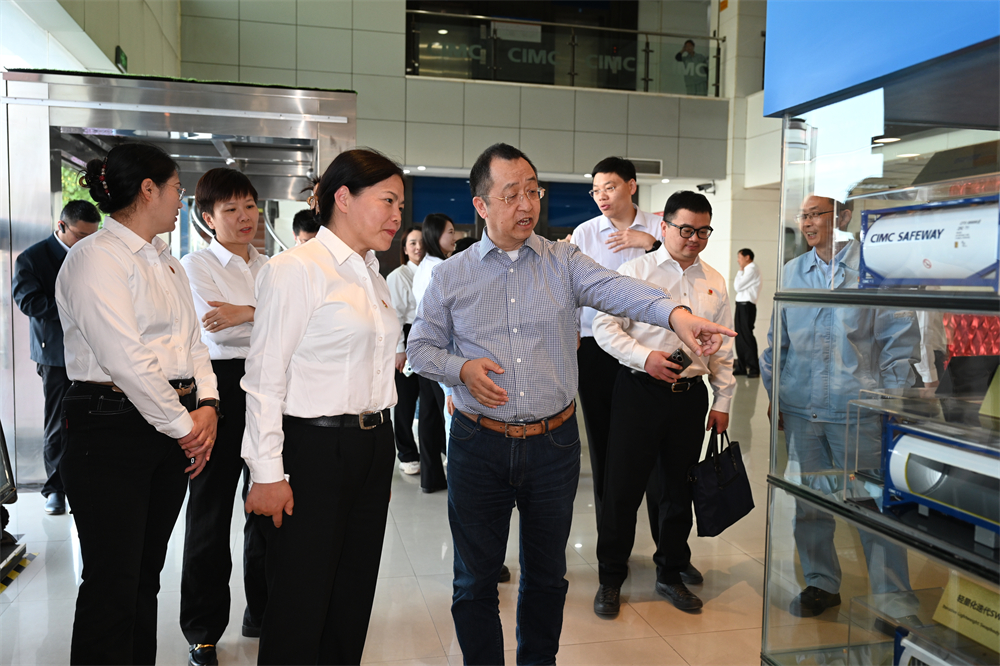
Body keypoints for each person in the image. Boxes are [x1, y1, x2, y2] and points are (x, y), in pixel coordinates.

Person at [407, 143, 735, 665]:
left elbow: (623, 291)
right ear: (481, 205)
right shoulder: (451, 274)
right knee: (474, 580)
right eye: (511, 194)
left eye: (532, 191)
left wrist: (676, 315)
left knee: (546, 577)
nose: (526, 204)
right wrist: (462, 370)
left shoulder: (564, 260)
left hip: (553, 445)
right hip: (478, 442)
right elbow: (420, 350)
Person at [55, 143, 219, 665]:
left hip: (169, 423)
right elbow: (126, 358)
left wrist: (208, 404)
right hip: (110, 427)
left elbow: (193, 344)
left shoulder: (167, 262)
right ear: (148, 190)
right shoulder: (94, 258)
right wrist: (184, 426)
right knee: (113, 580)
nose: (180, 201)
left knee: (145, 575)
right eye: (176, 189)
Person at [242, 148, 403, 665]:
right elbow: (264, 377)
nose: (397, 217)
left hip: (373, 444)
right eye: (388, 201)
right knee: (300, 598)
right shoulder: (296, 269)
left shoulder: (373, 275)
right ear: (343, 198)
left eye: (401, 205)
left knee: (351, 597)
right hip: (314, 448)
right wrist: (267, 473)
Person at [761, 194, 918, 617]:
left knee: (873, 506)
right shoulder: (793, 272)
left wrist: (892, 405)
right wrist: (776, 396)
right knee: (810, 503)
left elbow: (899, 347)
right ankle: (820, 583)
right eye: (804, 216)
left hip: (858, 411)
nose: (808, 223)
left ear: (844, 217)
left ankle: (893, 600)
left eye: (817, 214)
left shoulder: (875, 272)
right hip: (801, 409)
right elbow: (777, 344)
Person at [591, 191, 735, 616]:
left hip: (688, 397)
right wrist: (645, 358)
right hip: (639, 391)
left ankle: (670, 572)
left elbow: (724, 349)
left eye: (703, 231)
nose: (694, 239)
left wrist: (723, 400)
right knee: (623, 489)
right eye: (685, 229)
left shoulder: (714, 280)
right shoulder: (635, 272)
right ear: (664, 227)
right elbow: (604, 327)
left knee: (678, 489)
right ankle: (610, 578)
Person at [178, 168, 269, 665]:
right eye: (230, 209)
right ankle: (203, 629)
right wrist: (262, 314)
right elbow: (214, 328)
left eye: (250, 206)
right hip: (219, 388)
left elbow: (296, 325)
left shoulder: (273, 266)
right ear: (208, 218)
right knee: (210, 513)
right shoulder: (195, 265)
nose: (244, 217)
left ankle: (263, 611)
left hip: (270, 388)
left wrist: (247, 311)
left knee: (268, 503)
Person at [570, 157, 662, 525]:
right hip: (596, 344)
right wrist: (572, 331)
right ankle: (610, 529)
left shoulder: (658, 227)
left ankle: (662, 530)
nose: (602, 196)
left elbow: (677, 273)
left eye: (610, 187)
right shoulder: (585, 233)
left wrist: (652, 244)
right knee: (603, 437)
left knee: (651, 437)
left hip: (648, 345)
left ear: (632, 186)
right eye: (596, 190)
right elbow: (571, 288)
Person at [12, 200, 100, 515]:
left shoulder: (95, 254)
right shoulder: (32, 258)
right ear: (61, 226)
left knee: (93, 422)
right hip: (56, 355)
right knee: (58, 423)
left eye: (93, 236)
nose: (87, 242)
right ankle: (55, 490)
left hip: (96, 352)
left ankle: (86, 485)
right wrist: (75, 311)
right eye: (81, 236)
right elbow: (29, 302)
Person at [410, 213, 457, 493]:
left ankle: (431, 478)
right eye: (450, 232)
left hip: (426, 349)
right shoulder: (440, 268)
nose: (454, 237)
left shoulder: (425, 266)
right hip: (440, 351)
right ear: (435, 235)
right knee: (448, 416)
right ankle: (456, 476)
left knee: (429, 416)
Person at [386, 225, 424, 475]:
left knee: (430, 402)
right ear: (405, 248)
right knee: (405, 403)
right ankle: (407, 454)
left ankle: (434, 449)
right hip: (407, 336)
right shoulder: (398, 276)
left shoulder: (434, 270)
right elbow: (395, 317)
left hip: (428, 335)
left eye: (422, 242)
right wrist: (400, 349)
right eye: (412, 243)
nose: (418, 247)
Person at [733, 247, 762, 377]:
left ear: (747, 257)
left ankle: (753, 368)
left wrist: (740, 271)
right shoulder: (747, 269)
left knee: (746, 336)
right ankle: (742, 367)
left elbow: (738, 286)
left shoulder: (752, 269)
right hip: (741, 304)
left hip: (747, 305)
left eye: (739, 257)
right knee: (739, 336)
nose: (738, 260)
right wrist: (741, 270)